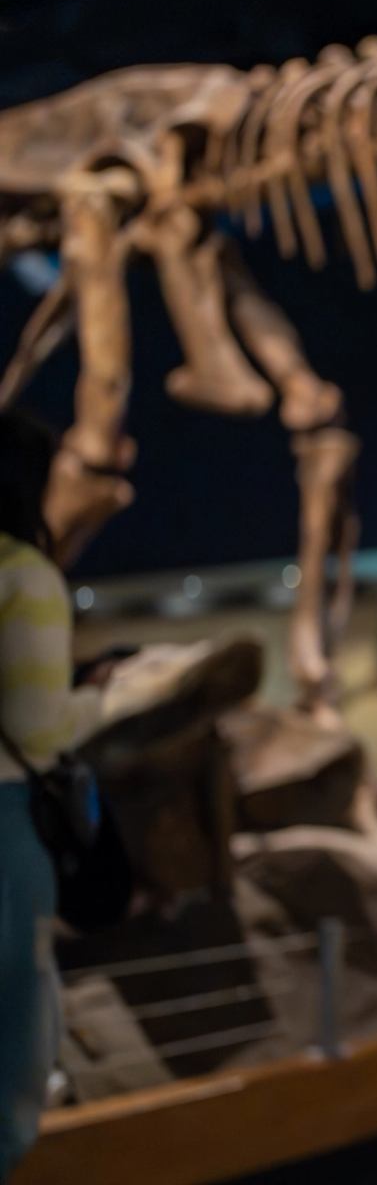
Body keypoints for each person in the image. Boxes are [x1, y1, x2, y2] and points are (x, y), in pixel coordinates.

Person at [0, 410, 100, 1181]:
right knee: (13, 1029)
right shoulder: (24, 572)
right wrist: (106, 701)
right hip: (4, 831)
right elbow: (37, 728)